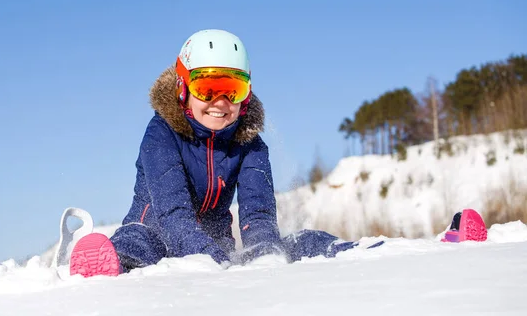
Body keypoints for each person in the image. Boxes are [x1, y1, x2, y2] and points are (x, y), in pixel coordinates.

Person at [68, 29, 366, 278]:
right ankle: (103, 264)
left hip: (215, 241)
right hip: (155, 230)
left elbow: (258, 215)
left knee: (282, 246)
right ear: (183, 87)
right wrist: (213, 261)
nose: (220, 102)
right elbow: (173, 215)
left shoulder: (251, 143)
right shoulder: (160, 134)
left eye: (232, 89)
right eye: (208, 88)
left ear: (245, 96)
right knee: (141, 245)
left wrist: (264, 258)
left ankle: (355, 251)